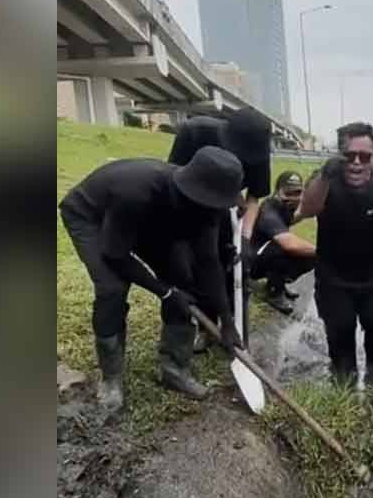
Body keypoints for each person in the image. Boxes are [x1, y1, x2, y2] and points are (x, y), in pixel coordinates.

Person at [58, 147, 245, 411]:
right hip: (92, 217)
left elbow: (209, 263)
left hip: (148, 223)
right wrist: (165, 292)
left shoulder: (207, 210)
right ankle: (111, 379)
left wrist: (227, 321)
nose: (215, 211)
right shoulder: (135, 191)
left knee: (185, 282)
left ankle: (174, 369)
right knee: (112, 288)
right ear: (193, 192)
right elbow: (116, 255)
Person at [295, 122, 373, 386]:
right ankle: (344, 388)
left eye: (365, 157)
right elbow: (307, 209)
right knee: (340, 336)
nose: (357, 163)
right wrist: (326, 176)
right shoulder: (323, 181)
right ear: (339, 156)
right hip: (333, 276)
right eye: (350, 156)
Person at [167, 108, 272, 346]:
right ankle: (206, 326)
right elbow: (173, 175)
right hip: (189, 203)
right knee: (194, 266)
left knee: (231, 264)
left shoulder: (258, 150)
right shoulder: (194, 132)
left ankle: (232, 324)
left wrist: (245, 237)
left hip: (228, 210)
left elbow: (254, 197)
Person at [249, 170, 316, 315]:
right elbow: (289, 244)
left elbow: (294, 218)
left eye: (297, 192)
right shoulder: (269, 210)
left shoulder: (285, 207)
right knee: (285, 249)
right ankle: (274, 293)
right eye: (288, 193)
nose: (293, 197)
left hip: (263, 253)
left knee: (308, 253)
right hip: (250, 262)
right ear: (278, 191)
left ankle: (277, 281)